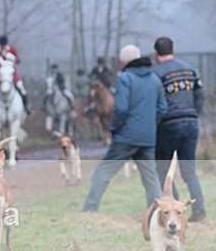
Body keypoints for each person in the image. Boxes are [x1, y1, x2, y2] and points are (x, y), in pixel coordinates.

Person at [82, 45, 167, 212]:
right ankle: (156, 213)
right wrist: (150, 125)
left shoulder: (124, 78)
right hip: (147, 137)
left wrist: (114, 129)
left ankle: (89, 210)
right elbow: (162, 108)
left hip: (126, 137)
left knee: (102, 172)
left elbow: (121, 109)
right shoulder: (155, 79)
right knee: (151, 179)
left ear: (123, 61)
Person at [153, 36, 207, 222]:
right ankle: (199, 211)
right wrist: (193, 114)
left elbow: (156, 103)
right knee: (189, 171)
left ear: (155, 53)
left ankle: (173, 210)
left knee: (162, 170)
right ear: (173, 50)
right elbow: (200, 96)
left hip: (168, 126)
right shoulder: (190, 69)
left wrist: (158, 122)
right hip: (190, 123)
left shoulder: (155, 74)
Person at [0, 35, 31, 114]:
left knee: (21, 88)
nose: (3, 47)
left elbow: (18, 61)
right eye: (2, 46)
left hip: (11, 75)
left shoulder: (11, 50)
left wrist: (12, 56)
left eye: (4, 45)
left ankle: (25, 107)